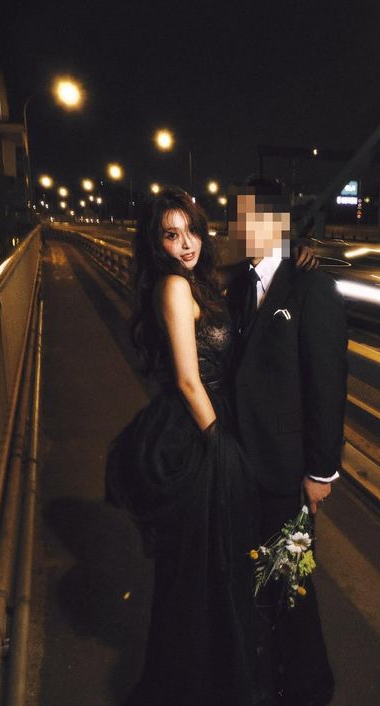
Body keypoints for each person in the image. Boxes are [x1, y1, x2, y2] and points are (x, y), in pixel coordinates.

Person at [105, 186, 316, 706]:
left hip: (214, 427)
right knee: (207, 572)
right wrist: (221, 447)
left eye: (192, 231)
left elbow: (250, 272)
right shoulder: (175, 286)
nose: (186, 244)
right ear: (156, 243)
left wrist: (293, 253)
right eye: (171, 235)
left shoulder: (200, 282)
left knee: (214, 569)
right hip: (200, 435)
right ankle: (203, 683)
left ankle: (214, 676)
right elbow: (186, 380)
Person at [226, 177, 348, 706]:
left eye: (250, 217)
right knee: (259, 578)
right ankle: (271, 675)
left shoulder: (312, 288)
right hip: (241, 466)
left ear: (277, 223)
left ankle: (308, 687)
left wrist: (321, 472)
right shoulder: (238, 286)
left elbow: (327, 384)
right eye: (237, 218)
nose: (239, 228)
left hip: (289, 471)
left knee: (293, 582)